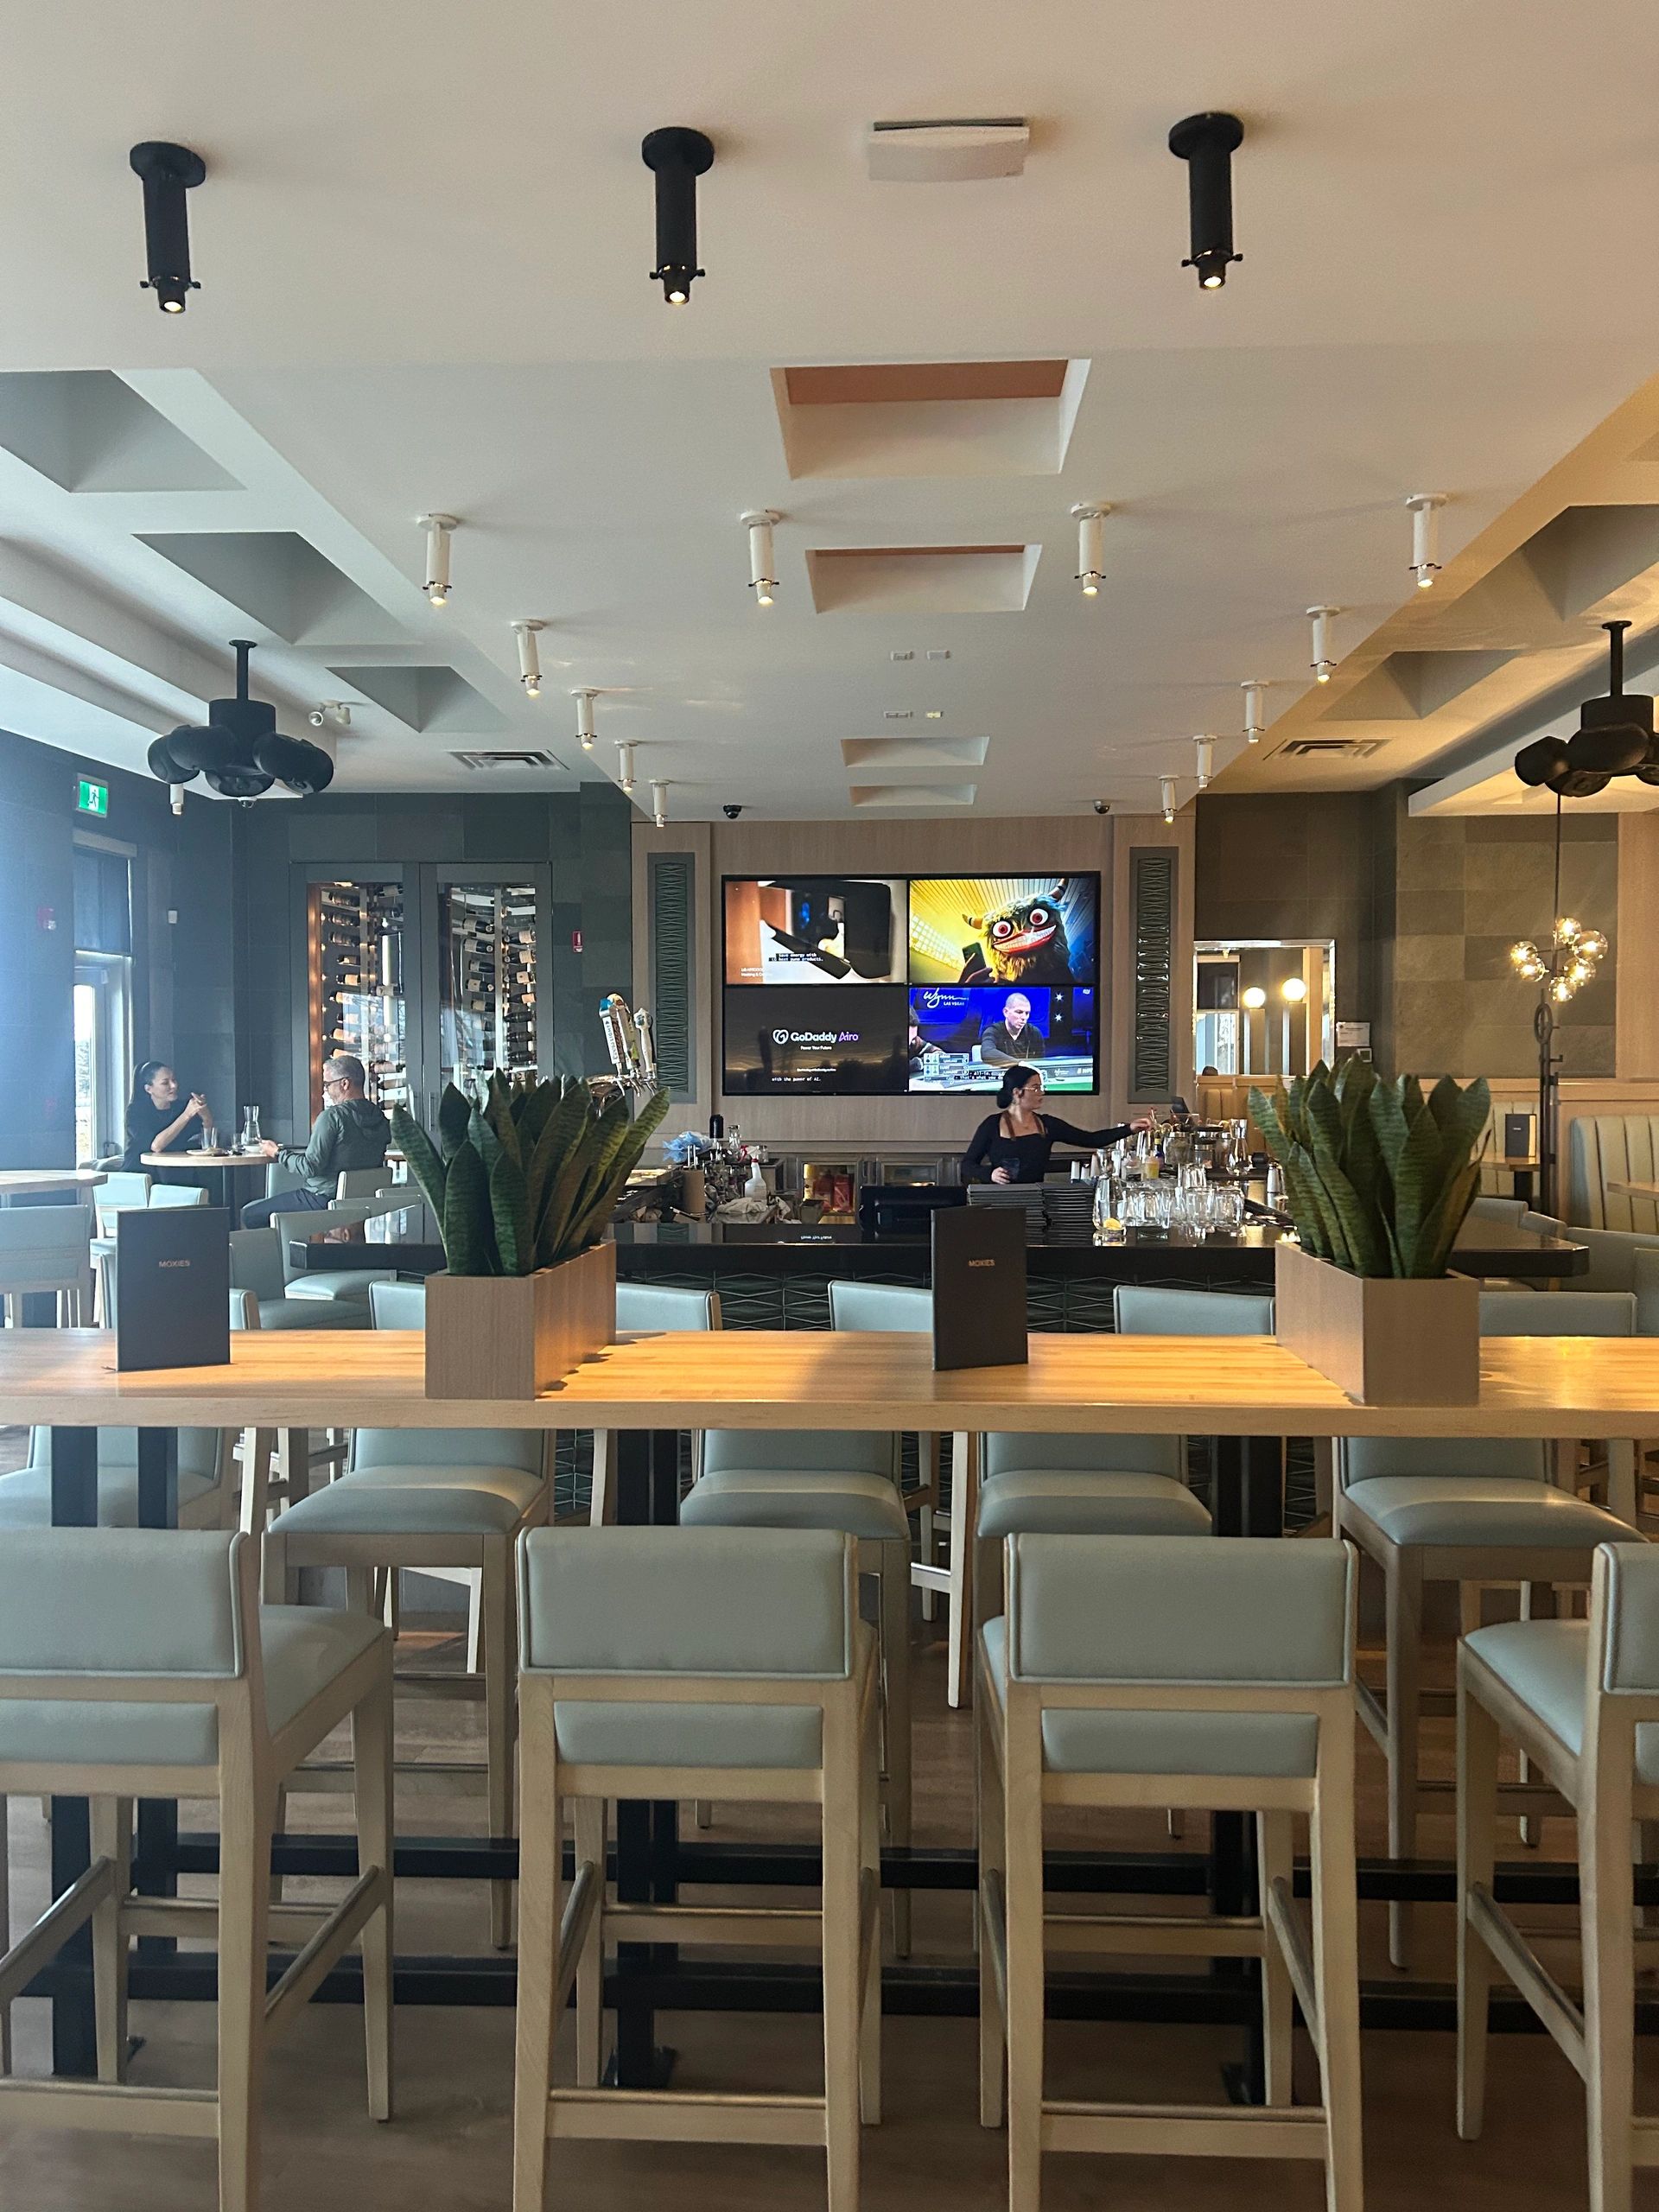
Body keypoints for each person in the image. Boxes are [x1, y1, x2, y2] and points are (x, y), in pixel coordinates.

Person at [239, 1053, 390, 1228]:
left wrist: (277, 1153)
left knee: (249, 1214)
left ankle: (279, 1255)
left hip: (322, 1199)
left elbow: (310, 1167)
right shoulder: (379, 1117)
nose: (325, 1090)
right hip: (362, 1202)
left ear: (345, 1084)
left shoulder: (332, 1117)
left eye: (327, 1085)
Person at [961, 1065, 1152, 1185]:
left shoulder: (1047, 1124)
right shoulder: (992, 1125)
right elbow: (968, 1165)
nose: (1041, 1092)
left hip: (1037, 1198)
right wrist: (990, 1174)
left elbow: (1090, 1139)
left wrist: (1129, 1129)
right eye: (1035, 1088)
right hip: (1001, 1201)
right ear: (1017, 1092)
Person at [120, 1059, 209, 1172]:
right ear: (148, 1089)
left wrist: (204, 1113)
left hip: (173, 1171)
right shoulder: (135, 1111)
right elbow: (156, 1146)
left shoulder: (180, 1107)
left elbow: (206, 1135)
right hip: (140, 1175)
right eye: (165, 1083)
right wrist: (186, 1115)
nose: (174, 1086)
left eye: (174, 1080)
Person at [978, 990, 1046, 1066]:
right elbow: (987, 1052)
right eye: (1019, 1012)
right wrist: (1019, 1064)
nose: (1024, 1017)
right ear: (1006, 1012)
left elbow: (1040, 1062)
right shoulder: (993, 1031)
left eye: (1027, 1013)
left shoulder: (1034, 1033)